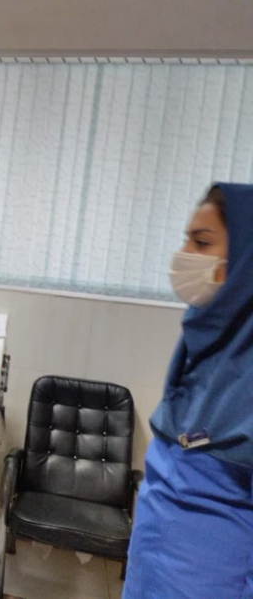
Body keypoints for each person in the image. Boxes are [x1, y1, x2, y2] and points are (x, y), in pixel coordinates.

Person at [123, 184, 253, 598]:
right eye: (186, 239)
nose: (185, 254)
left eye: (202, 242)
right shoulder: (202, 344)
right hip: (150, 570)